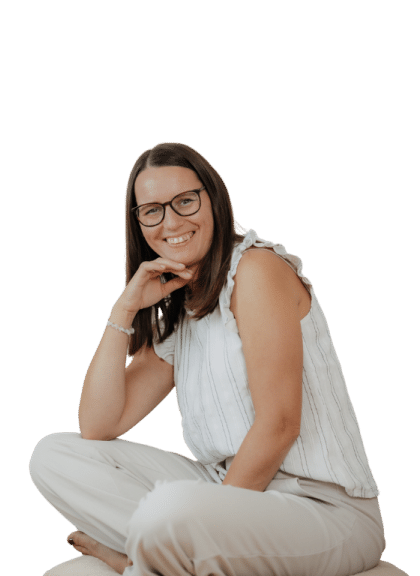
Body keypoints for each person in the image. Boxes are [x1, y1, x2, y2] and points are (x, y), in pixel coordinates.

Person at [28, 142, 385, 576]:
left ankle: (142, 561)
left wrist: (210, 523)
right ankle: (162, 556)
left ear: (213, 199)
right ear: (138, 223)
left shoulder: (256, 271)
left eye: (185, 201)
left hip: (323, 510)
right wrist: (124, 308)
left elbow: (279, 424)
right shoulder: (181, 305)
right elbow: (99, 426)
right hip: (227, 492)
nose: (171, 222)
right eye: (152, 211)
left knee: (170, 508)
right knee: (54, 455)